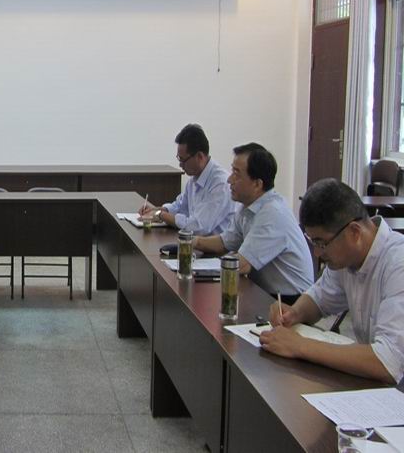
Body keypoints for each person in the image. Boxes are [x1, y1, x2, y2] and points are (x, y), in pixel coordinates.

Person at [260, 178, 404, 384]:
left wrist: (300, 346)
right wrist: (294, 313)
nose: (317, 253)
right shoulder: (347, 258)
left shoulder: (398, 263)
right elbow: (319, 299)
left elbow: (389, 361)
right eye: (313, 242)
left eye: (322, 243)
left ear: (354, 232)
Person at [194, 143, 313, 301]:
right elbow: (225, 242)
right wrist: (192, 242)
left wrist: (197, 268)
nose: (229, 180)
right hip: (264, 292)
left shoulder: (272, 213)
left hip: (290, 301)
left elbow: (241, 265)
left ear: (257, 184)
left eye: (236, 174)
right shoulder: (248, 205)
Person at [139, 123, 235, 235]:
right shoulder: (194, 178)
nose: (180, 165)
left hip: (212, 244)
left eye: (183, 160)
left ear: (199, 156)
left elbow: (198, 226)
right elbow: (179, 207)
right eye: (179, 159)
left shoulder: (221, 184)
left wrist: (160, 215)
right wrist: (156, 209)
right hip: (195, 241)